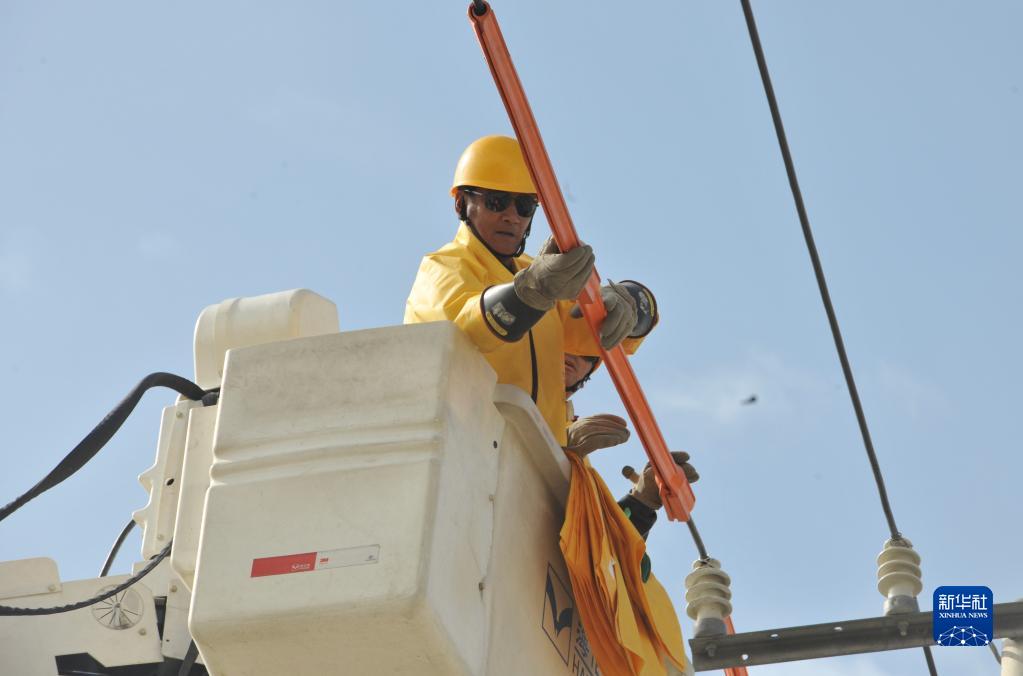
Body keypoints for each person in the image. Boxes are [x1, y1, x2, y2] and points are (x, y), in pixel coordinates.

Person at [404, 135, 658, 446]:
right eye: (496, 202)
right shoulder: (445, 266)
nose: (512, 216)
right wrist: (530, 291)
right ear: (461, 204)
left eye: (524, 206)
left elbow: (585, 331)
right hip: (466, 442)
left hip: (533, 457)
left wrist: (628, 306)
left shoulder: (535, 273)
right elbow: (466, 328)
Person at [561, 353, 698, 541]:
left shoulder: (582, 459)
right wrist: (560, 450)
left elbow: (596, 545)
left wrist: (642, 502)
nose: (574, 352)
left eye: (588, 353)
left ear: (589, 373)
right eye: (567, 341)